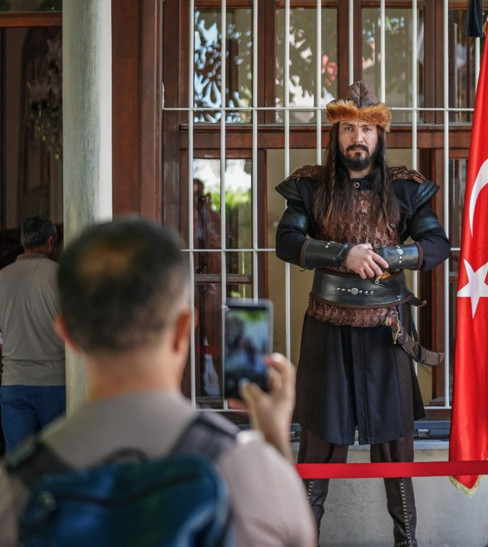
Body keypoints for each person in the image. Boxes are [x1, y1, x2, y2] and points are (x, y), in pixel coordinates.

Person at [0, 217, 316, 546]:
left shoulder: (15, 490)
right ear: (184, 329)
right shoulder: (249, 472)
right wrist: (274, 437)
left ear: (68, 334)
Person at [275, 81, 450, 546]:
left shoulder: (405, 188)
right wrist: (343, 253)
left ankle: (406, 542)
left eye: (367, 129)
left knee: (396, 445)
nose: (358, 137)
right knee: (318, 441)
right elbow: (286, 242)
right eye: (349, 128)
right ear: (335, 135)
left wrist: (389, 257)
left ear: (380, 136)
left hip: (387, 331)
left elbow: (436, 245)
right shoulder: (310, 185)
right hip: (326, 327)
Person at [0, 215, 65, 453]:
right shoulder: (62, 277)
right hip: (55, 383)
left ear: (22, 241)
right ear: (51, 241)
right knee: (56, 458)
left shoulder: (2, 278)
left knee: (20, 462)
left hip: (13, 384)